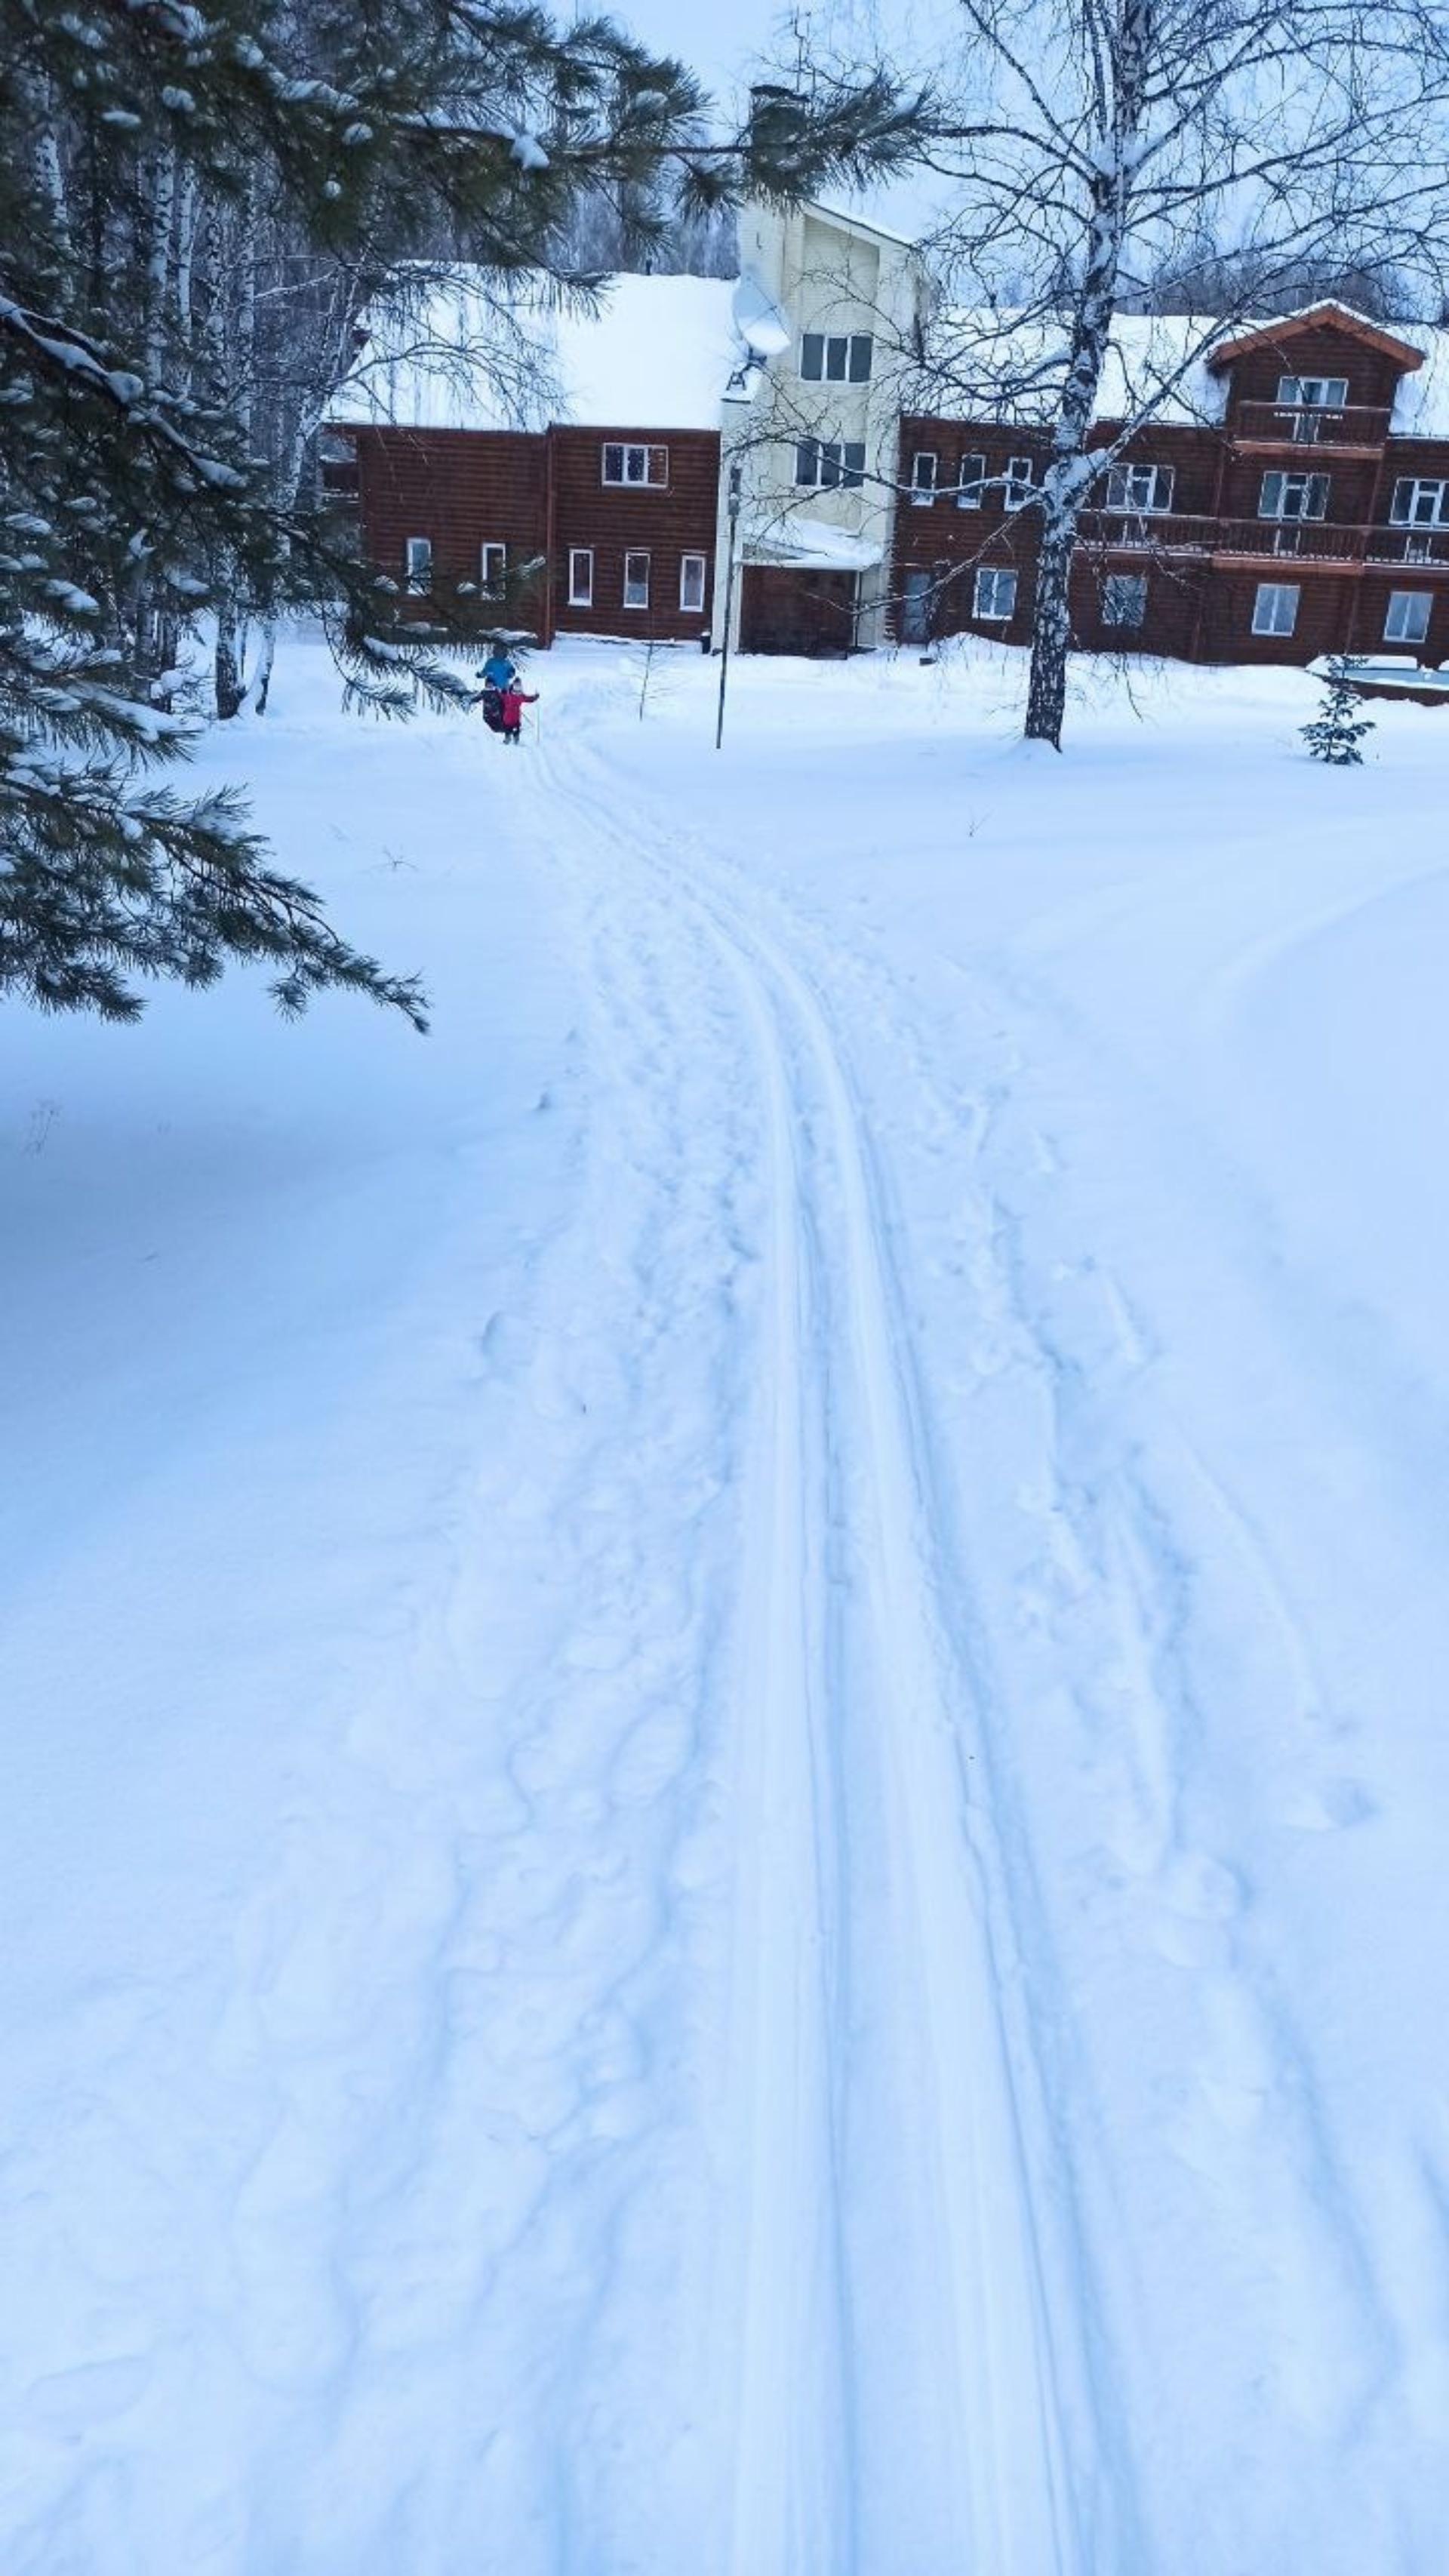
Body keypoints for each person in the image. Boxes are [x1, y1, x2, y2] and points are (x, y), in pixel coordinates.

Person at [499, 681, 538, 745]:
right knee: (508, 729)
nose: (517, 689)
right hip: (507, 717)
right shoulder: (508, 695)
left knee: (517, 730)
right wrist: (503, 691)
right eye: (516, 686)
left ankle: (516, 740)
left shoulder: (521, 696)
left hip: (516, 717)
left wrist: (535, 697)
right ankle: (507, 739)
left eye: (519, 686)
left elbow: (528, 699)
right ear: (513, 687)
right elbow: (501, 696)